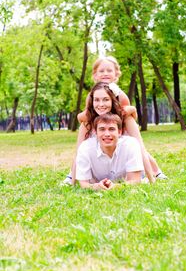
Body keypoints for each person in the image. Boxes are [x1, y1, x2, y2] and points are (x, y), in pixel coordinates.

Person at [63, 56, 167, 184]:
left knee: (138, 148)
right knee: (85, 150)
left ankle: (156, 172)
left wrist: (130, 111)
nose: (105, 73)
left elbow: (127, 110)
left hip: (118, 126)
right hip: (99, 126)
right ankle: (72, 176)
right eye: (101, 71)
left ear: (116, 75)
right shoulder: (93, 95)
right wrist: (86, 120)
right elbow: (84, 115)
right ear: (95, 75)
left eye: (109, 71)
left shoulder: (120, 95)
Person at [76, 113, 144, 190]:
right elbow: (83, 184)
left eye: (111, 129)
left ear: (119, 132)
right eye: (102, 129)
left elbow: (135, 180)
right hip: (96, 183)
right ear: (95, 133)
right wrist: (96, 186)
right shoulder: (85, 148)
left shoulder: (131, 144)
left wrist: (116, 187)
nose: (107, 134)